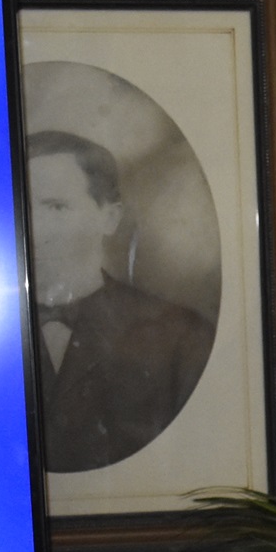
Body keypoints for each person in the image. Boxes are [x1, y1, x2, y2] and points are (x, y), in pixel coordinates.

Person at [25, 129, 213, 472]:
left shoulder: (181, 336)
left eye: (56, 207)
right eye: (20, 207)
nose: (34, 231)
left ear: (109, 218)